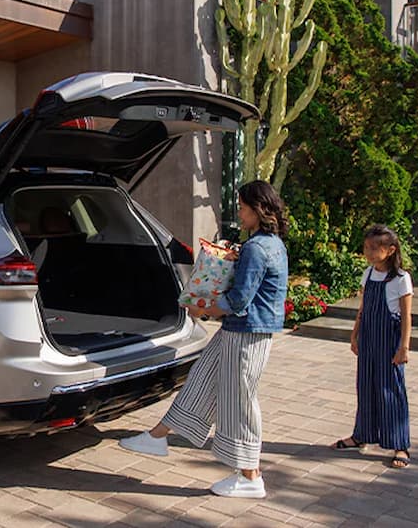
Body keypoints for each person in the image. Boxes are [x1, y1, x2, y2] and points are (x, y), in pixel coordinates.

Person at [117, 180, 289, 499]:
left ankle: (250, 475)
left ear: (257, 209)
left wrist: (203, 308)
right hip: (245, 331)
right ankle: (157, 436)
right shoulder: (272, 243)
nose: (238, 213)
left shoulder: (257, 247)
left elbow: (238, 300)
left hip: (246, 332)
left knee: (238, 401)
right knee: (201, 379)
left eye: (241, 207)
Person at [330, 224, 413, 469]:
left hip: (390, 339)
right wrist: (354, 334)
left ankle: (400, 444)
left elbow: (407, 316)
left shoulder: (401, 278)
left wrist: (404, 347)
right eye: (366, 247)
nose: (369, 252)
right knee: (365, 386)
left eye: (375, 248)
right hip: (368, 336)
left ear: (390, 250)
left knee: (391, 390)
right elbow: (363, 307)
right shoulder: (368, 273)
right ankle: (361, 435)